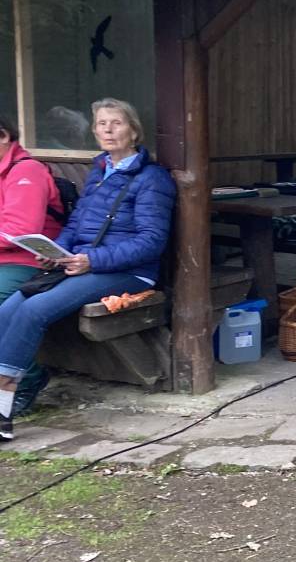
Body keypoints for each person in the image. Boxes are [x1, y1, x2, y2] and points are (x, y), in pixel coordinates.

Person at [0, 99, 175, 441]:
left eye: (116, 123)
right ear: (93, 131)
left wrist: (93, 261)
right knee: (7, 309)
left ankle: (3, 402)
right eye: (101, 124)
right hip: (81, 264)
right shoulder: (99, 171)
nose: (108, 130)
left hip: (127, 271)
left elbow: (151, 241)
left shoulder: (152, 178)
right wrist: (58, 252)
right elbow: (77, 223)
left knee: (34, 309)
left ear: (133, 130)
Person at [0, 115, 66, 414]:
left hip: (30, 261)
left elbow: (18, 229)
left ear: (3, 136)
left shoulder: (27, 170)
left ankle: (28, 380)